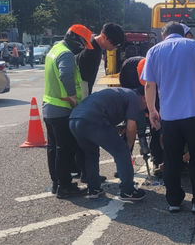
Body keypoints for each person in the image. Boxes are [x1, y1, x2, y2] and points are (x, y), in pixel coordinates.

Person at [142, 21, 195, 214]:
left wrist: (151, 110)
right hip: (194, 112)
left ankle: (174, 201)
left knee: (171, 159)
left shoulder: (154, 51)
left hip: (169, 117)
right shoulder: (194, 46)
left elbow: (149, 85)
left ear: (163, 35)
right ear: (183, 33)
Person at [43, 24, 93, 199]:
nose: (83, 48)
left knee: (53, 149)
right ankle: (65, 186)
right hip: (62, 108)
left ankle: (56, 183)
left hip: (49, 107)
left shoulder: (55, 49)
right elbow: (65, 75)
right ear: (76, 39)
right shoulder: (66, 54)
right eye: (83, 44)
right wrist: (72, 96)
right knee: (65, 149)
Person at [69, 87, 147, 200]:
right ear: (144, 97)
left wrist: (113, 128)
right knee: (122, 152)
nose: (146, 108)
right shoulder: (134, 98)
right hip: (92, 119)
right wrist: (128, 147)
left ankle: (93, 188)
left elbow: (102, 109)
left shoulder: (121, 93)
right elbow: (131, 127)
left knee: (91, 154)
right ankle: (128, 190)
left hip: (74, 119)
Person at [119, 56, 164, 174]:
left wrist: (153, 111)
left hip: (152, 97)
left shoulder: (156, 72)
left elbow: (155, 92)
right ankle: (124, 165)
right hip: (132, 95)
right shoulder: (129, 68)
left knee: (157, 128)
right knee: (130, 130)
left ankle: (158, 162)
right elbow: (125, 88)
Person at [77, 22, 125, 95]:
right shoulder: (91, 52)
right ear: (104, 36)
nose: (115, 47)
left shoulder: (94, 42)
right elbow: (83, 81)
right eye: (114, 44)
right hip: (79, 93)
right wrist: (84, 99)